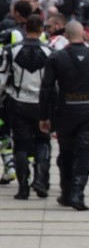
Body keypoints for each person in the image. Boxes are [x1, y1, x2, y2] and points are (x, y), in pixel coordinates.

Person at [38, 21, 89, 209]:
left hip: (65, 112)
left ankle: (67, 191)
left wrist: (44, 116)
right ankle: (77, 192)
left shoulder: (57, 57)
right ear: (84, 35)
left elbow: (46, 89)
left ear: (67, 36)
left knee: (67, 153)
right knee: (83, 151)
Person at [1, 14, 53, 200]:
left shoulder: (10, 50)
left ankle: (23, 187)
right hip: (41, 104)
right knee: (42, 140)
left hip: (18, 103)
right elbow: (53, 83)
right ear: (41, 30)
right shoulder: (50, 52)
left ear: (25, 29)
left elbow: (2, 78)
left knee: (20, 144)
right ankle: (40, 178)